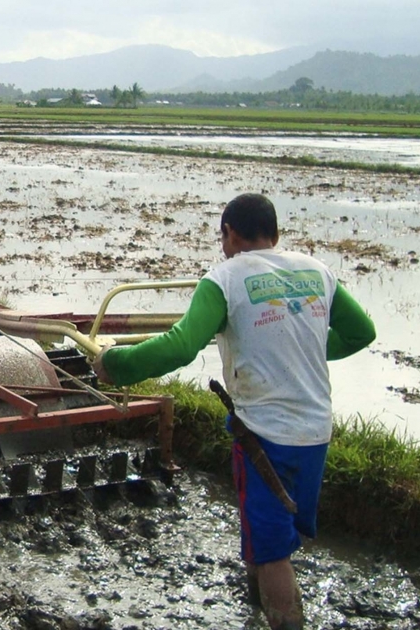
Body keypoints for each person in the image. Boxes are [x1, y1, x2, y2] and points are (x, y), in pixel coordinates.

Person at [92, 193, 376, 630]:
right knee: (271, 533)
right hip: (316, 432)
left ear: (228, 234)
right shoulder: (317, 271)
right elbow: (362, 333)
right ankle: (252, 601)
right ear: (275, 234)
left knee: (274, 555)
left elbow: (182, 345)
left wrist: (116, 365)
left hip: (265, 437)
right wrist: (304, 353)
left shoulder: (224, 279)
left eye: (222, 236)